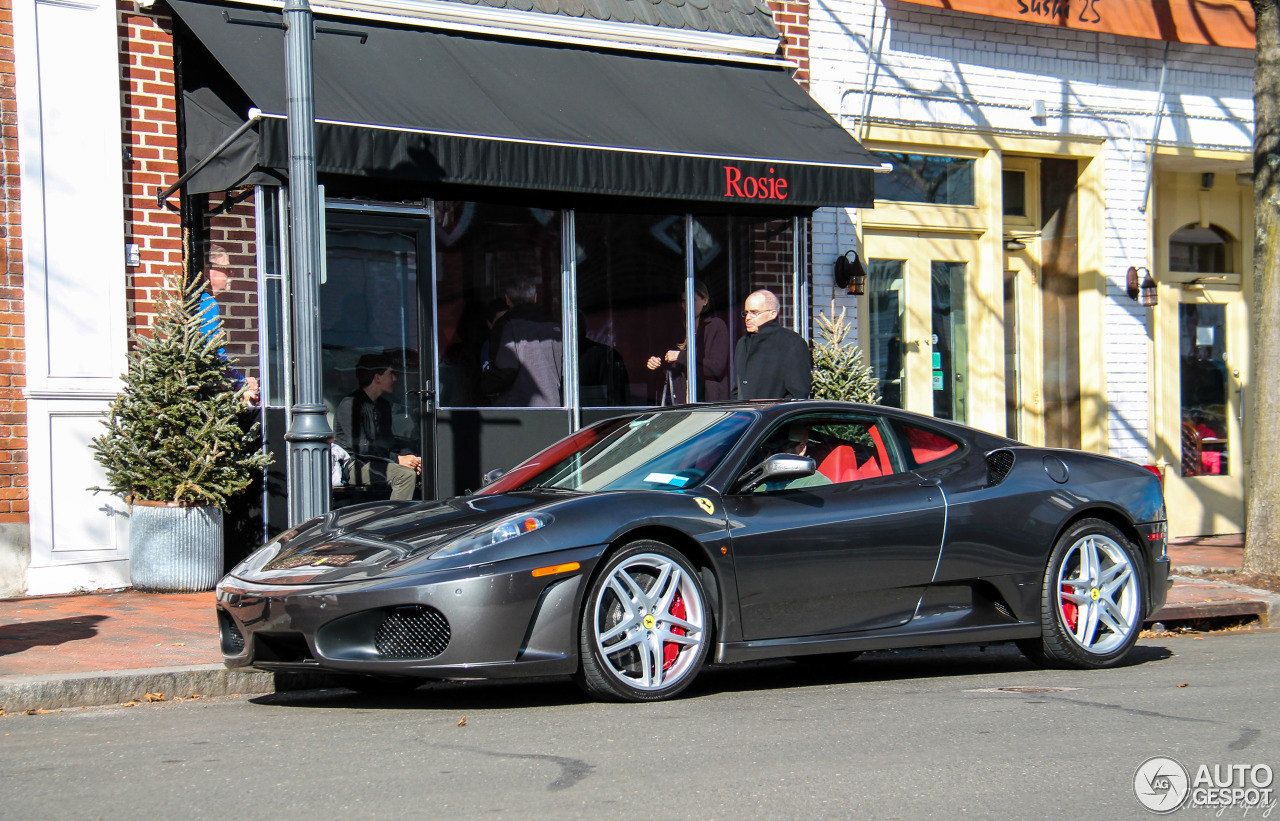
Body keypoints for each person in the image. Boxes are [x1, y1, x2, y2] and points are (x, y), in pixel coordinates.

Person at [333, 353, 421, 500]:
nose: (395, 378)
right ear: (377, 377)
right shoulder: (351, 404)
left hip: (378, 460)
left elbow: (389, 442)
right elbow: (362, 448)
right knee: (404, 476)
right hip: (354, 463)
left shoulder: (383, 405)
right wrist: (398, 459)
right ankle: (394, 522)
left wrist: (411, 456)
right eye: (391, 373)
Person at [481, 277, 563, 407]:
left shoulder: (506, 325)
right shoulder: (556, 327)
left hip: (518, 410)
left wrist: (484, 386)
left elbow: (505, 370)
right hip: (555, 406)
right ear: (535, 298)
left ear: (507, 299)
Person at [646, 280, 730, 403]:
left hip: (709, 402)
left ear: (705, 301)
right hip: (682, 401)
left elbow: (716, 368)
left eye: (693, 300)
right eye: (684, 301)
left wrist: (681, 356)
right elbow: (672, 367)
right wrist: (656, 364)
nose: (687, 305)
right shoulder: (678, 329)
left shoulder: (716, 326)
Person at [198, 246, 259, 406]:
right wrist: (241, 384)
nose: (231, 273)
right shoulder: (207, 303)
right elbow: (213, 354)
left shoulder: (202, 301)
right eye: (226, 268)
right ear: (207, 271)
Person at [733, 289, 812, 400]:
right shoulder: (742, 343)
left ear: (772, 314)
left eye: (754, 312)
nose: (748, 318)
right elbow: (737, 390)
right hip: (746, 415)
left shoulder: (791, 342)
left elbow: (798, 393)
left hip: (775, 415)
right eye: (746, 312)